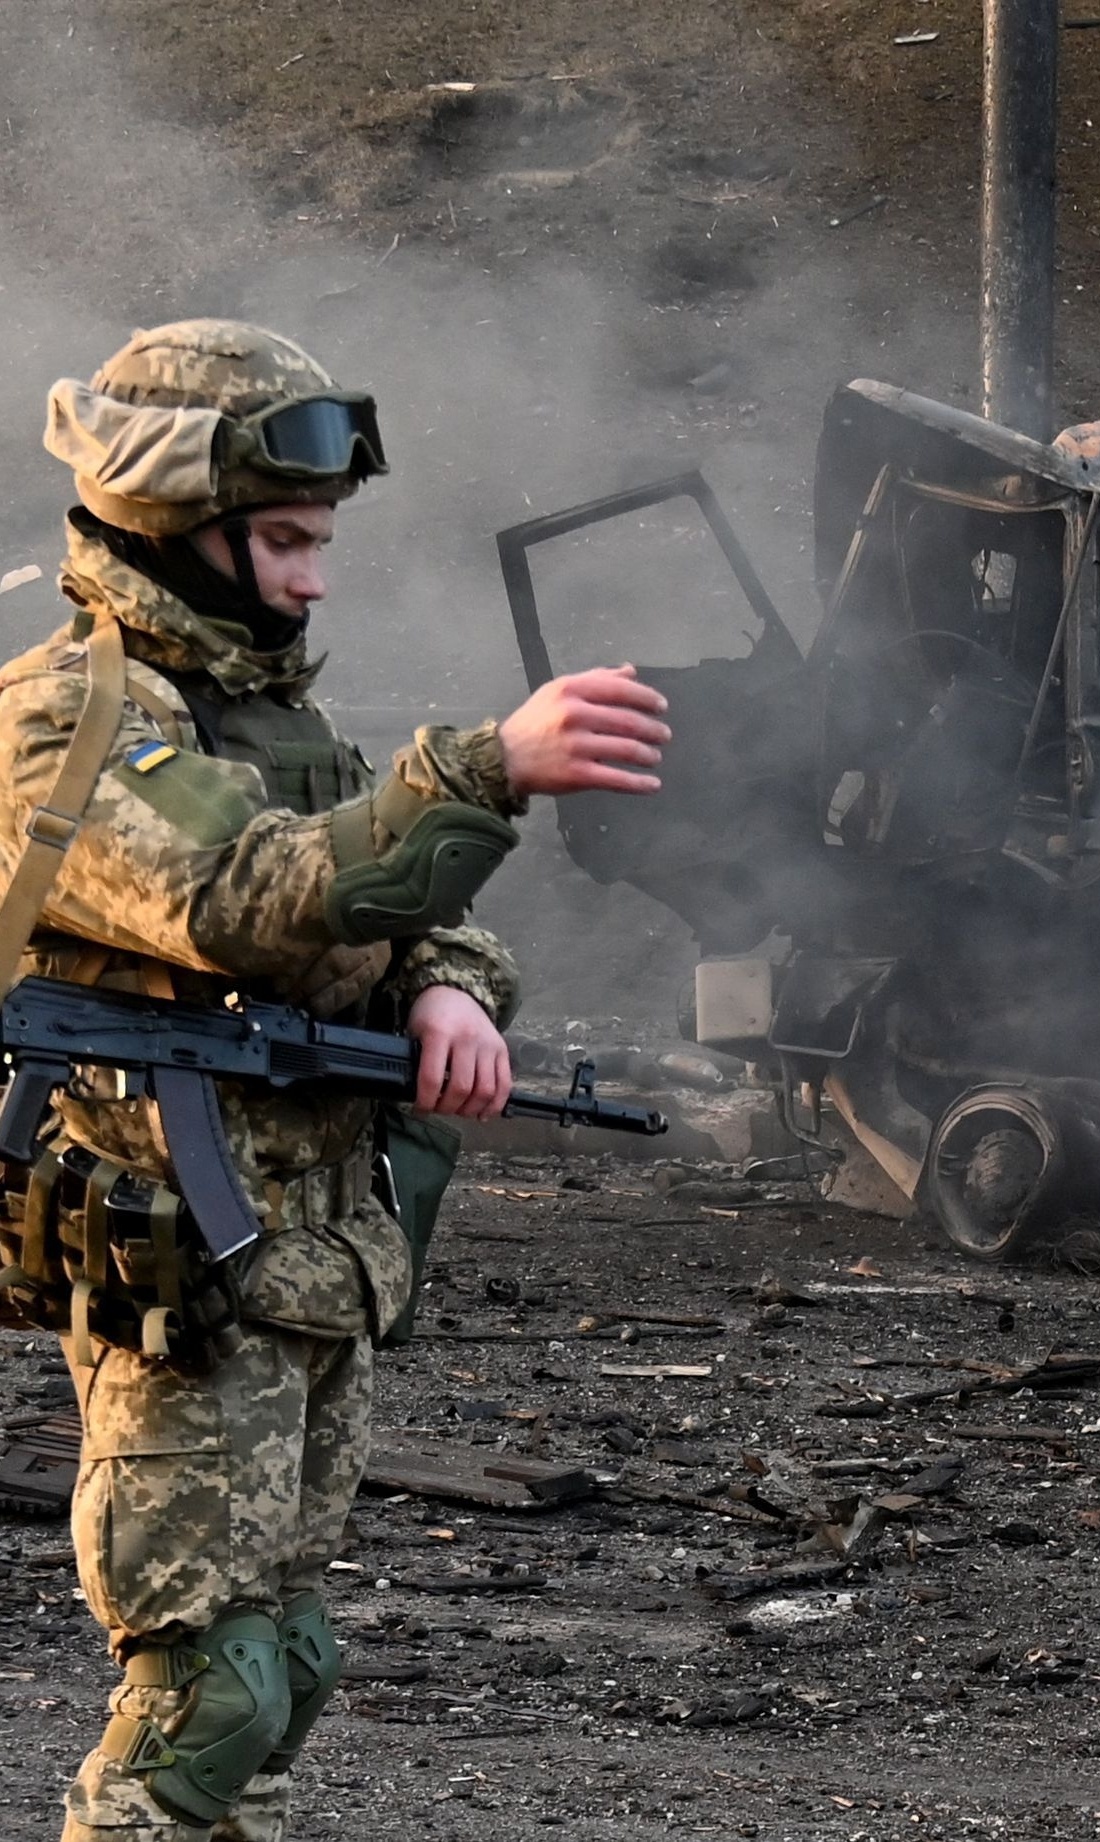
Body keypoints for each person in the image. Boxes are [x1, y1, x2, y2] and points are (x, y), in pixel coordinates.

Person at [0, 319, 671, 1842]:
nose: (314, 575)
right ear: (178, 517)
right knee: (204, 1697)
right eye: (287, 537)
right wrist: (483, 770)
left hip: (310, 1261)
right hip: (180, 1266)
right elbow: (240, 899)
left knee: (285, 1670)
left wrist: (446, 991)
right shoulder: (68, 717)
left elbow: (414, 918)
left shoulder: (269, 722)